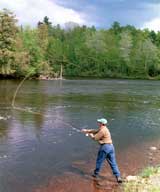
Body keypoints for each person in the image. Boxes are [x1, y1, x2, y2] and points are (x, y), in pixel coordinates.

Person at [82, 118, 122, 183]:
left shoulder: (102, 131)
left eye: (99, 122)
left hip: (105, 147)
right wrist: (87, 130)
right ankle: (118, 177)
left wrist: (90, 135)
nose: (98, 123)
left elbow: (95, 138)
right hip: (111, 147)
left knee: (99, 162)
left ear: (101, 124)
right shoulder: (104, 129)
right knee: (113, 163)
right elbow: (95, 131)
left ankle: (95, 174)